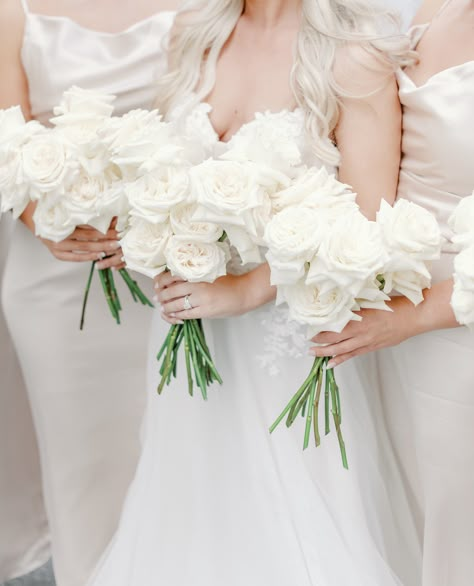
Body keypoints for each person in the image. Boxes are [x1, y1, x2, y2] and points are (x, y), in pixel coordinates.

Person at [88, 1, 422, 585]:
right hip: (184, 325)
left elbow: (367, 223)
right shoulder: (193, 34)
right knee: (185, 514)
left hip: (288, 343)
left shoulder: (353, 55)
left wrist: (244, 290)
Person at [0, 0, 179, 584]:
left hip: (173, 268)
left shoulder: (211, 8)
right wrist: (45, 216)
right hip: (54, 282)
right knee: (83, 469)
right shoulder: (12, 11)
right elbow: (4, 132)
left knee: (180, 461)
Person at [311, 1, 474, 585]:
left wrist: (415, 317)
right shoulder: (420, 13)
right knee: (405, 521)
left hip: (454, 333)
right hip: (389, 321)